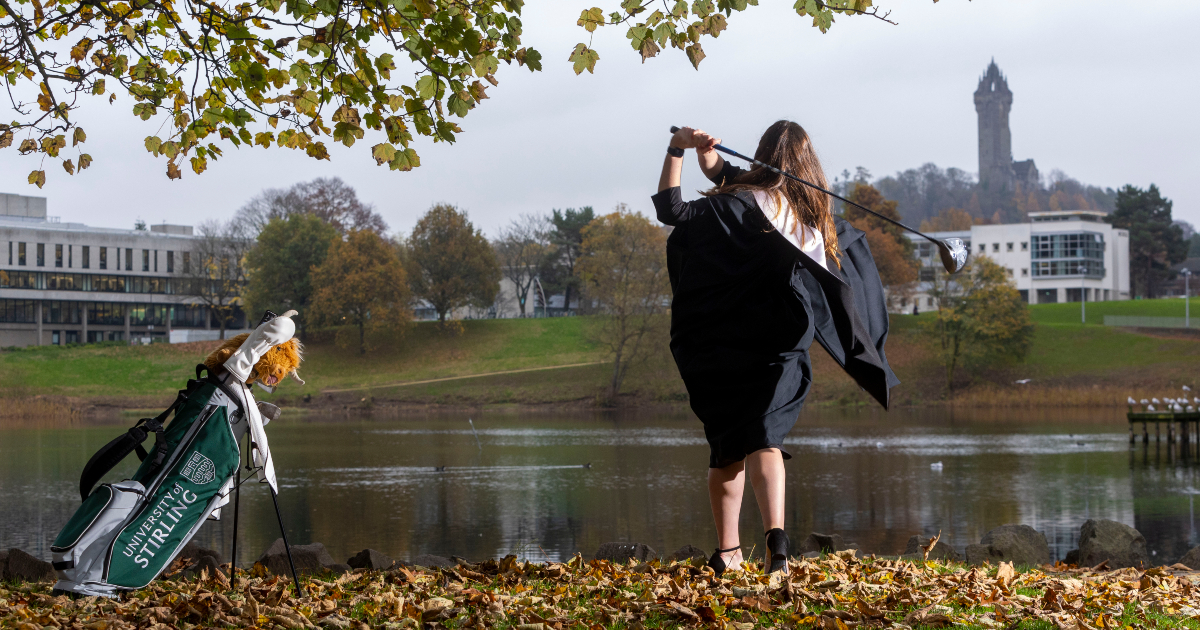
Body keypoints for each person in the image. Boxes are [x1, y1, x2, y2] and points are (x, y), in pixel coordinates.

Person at [651, 122, 898, 576]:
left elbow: (673, 210)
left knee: (726, 445)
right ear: (808, 164)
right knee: (766, 438)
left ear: (761, 155)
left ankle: (727, 553)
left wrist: (678, 150)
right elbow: (740, 185)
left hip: (720, 341)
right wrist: (711, 161)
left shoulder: (728, 208)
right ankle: (777, 547)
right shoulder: (810, 217)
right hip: (778, 342)